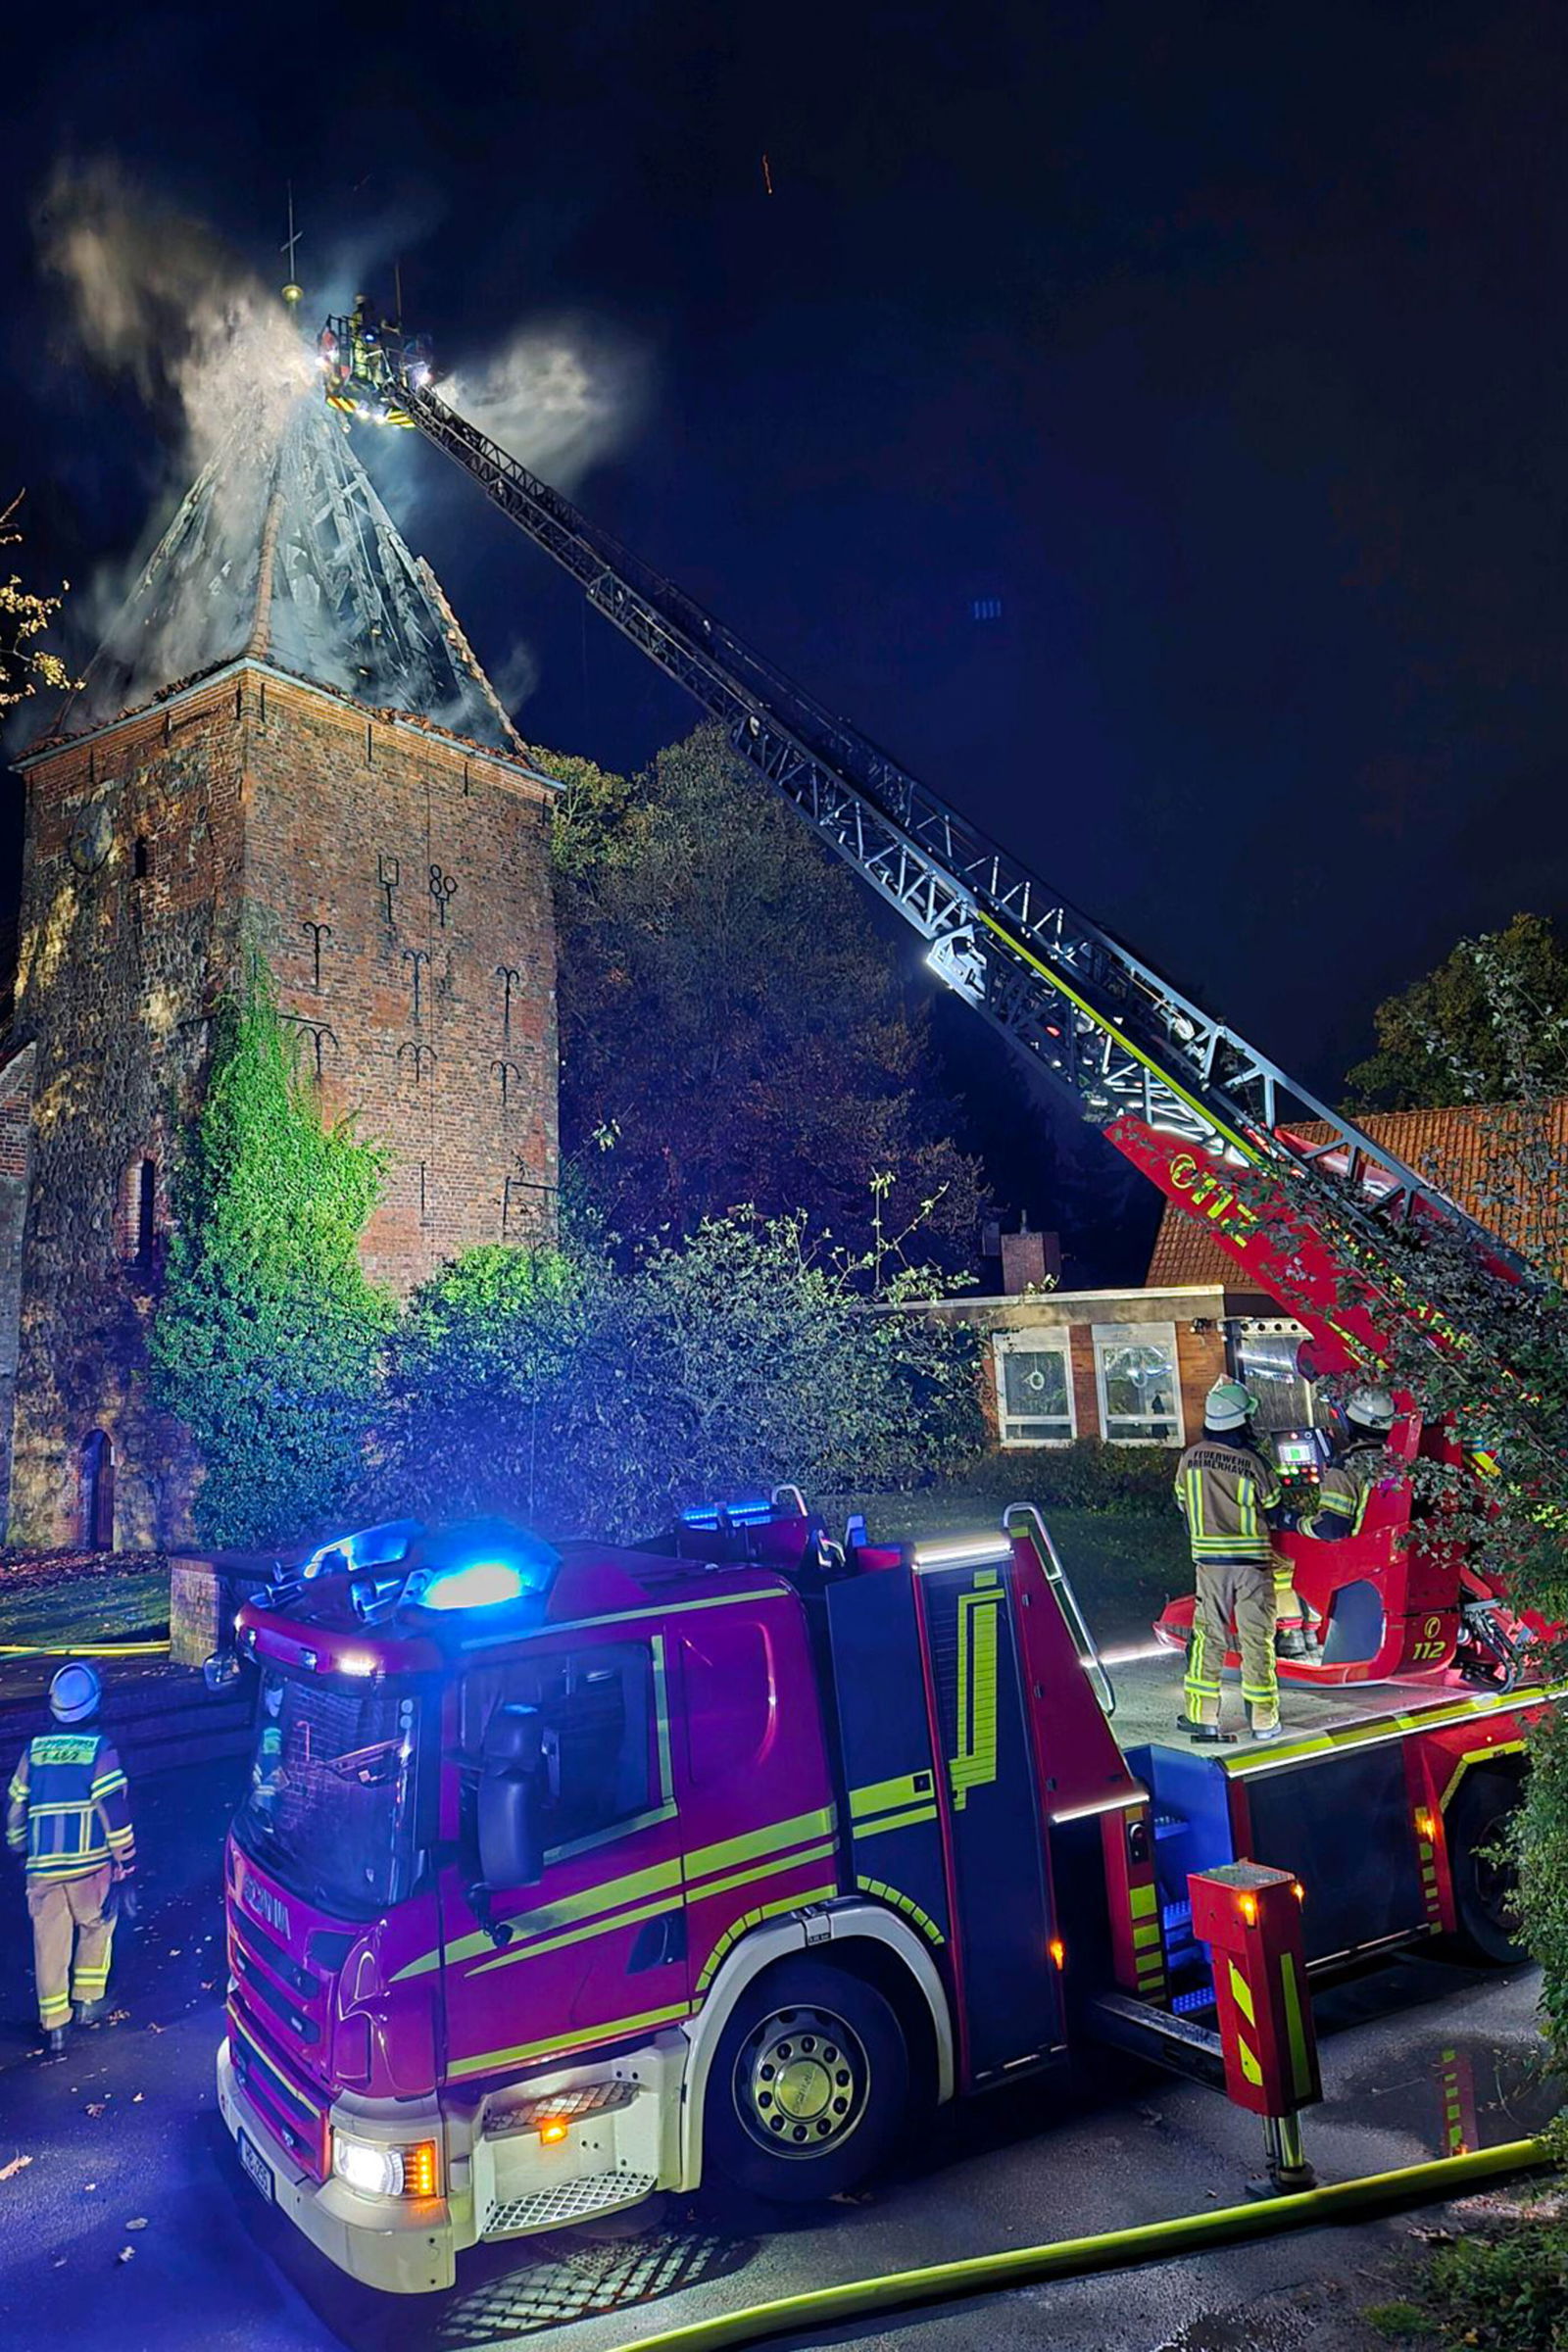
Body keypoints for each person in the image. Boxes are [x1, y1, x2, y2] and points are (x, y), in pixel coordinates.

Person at [6, 1663, 136, 2054]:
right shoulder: (100, 1751)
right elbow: (112, 1810)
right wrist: (125, 1864)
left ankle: (55, 2025)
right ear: (96, 1705)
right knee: (97, 1926)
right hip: (90, 1867)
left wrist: (19, 1847)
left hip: (42, 1870)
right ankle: (89, 2001)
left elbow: (16, 1806)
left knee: (49, 1944)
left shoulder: (34, 1752)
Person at [1174, 1380, 1290, 1744]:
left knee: (1209, 1637)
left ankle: (1203, 1718)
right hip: (1253, 1564)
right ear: (1243, 1421)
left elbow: (1182, 1502)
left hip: (1210, 1564)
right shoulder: (1254, 1462)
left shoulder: (1189, 1458)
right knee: (1258, 1640)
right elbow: (1274, 1507)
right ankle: (1264, 1721)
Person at [1298, 1385, 1398, 1543]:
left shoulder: (1343, 1471)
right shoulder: (1399, 1462)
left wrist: (1298, 1524)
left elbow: (1331, 1529)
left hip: (1360, 1557)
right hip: (1390, 1549)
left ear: (1350, 1422)